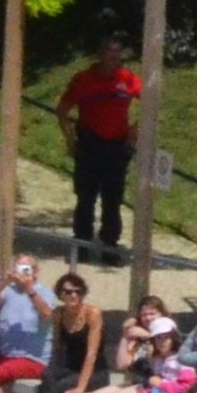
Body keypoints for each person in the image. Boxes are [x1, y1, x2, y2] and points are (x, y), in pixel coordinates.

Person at [57, 35, 145, 264]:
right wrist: (70, 138)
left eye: (116, 56)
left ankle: (109, 246)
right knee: (85, 197)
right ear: (99, 55)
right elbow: (63, 109)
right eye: (108, 54)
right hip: (90, 144)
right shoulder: (84, 79)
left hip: (117, 146)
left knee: (113, 199)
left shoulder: (128, 79)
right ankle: (82, 244)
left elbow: (150, 103)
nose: (112, 60)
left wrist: (135, 131)